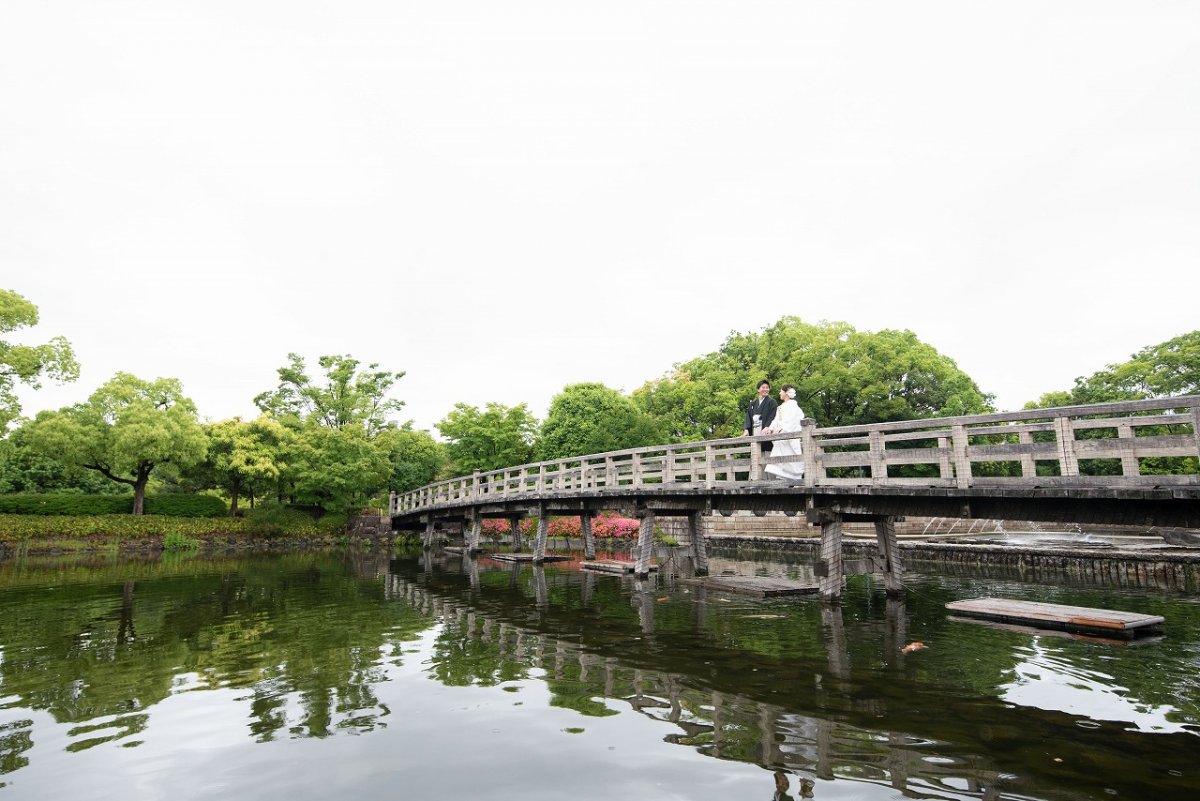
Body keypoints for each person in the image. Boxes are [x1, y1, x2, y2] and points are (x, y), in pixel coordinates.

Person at [762, 384, 804, 481]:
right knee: (781, 458)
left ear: (786, 392)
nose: (779, 393)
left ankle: (796, 479)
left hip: (789, 435)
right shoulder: (780, 407)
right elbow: (776, 420)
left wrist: (782, 428)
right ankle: (785, 480)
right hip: (781, 437)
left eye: (781, 391)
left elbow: (792, 420)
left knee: (792, 457)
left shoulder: (793, 405)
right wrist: (770, 428)